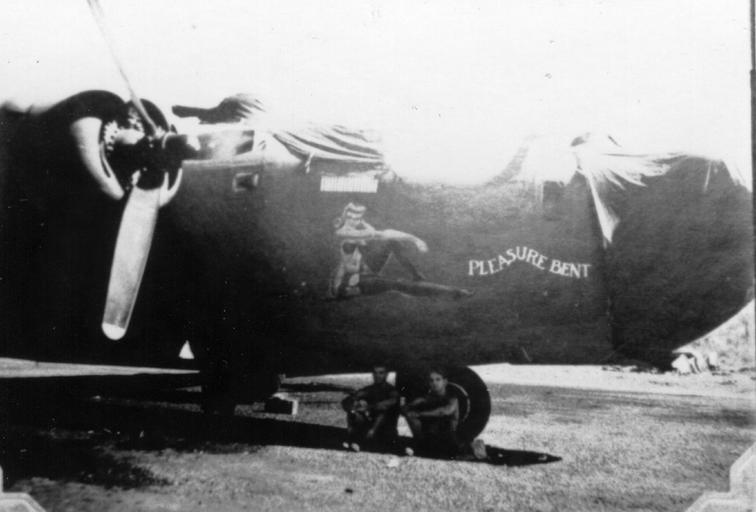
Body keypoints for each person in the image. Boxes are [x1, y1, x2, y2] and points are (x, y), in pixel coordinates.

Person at [402, 368, 486, 460]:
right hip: (430, 438)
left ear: (445, 382)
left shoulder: (452, 399)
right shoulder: (426, 398)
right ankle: (421, 444)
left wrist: (419, 414)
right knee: (411, 416)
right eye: (431, 380)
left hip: (449, 439)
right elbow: (407, 407)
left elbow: (443, 412)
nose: (434, 383)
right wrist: (407, 407)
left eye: (438, 379)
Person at [341, 363, 400, 452]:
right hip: (370, 425)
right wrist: (353, 407)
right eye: (375, 373)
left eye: (381, 373)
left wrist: (367, 407)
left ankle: (361, 440)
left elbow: (386, 404)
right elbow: (347, 401)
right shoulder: (370, 389)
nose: (377, 376)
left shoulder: (392, 391)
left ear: (386, 374)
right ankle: (353, 439)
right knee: (354, 413)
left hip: (385, 428)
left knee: (382, 412)